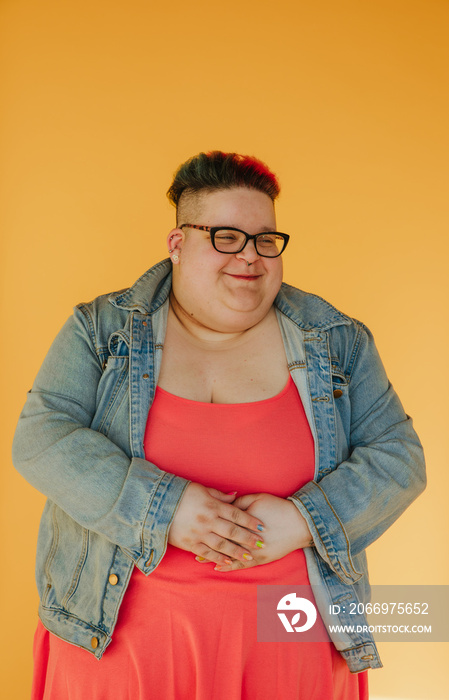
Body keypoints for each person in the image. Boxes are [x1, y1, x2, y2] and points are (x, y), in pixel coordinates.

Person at [12, 151, 426, 699]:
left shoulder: (337, 341)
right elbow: (40, 438)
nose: (250, 257)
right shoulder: (103, 330)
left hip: (287, 641)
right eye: (226, 236)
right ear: (178, 244)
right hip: (115, 643)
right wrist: (166, 510)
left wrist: (305, 521)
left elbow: (401, 456)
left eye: (264, 239)